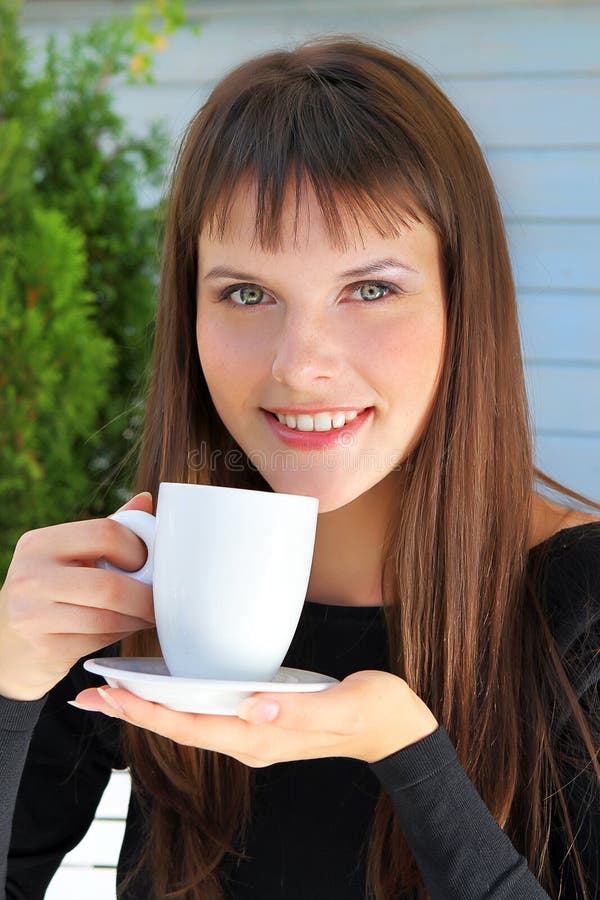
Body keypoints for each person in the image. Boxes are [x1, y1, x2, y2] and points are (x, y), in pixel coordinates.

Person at [0, 36, 598, 900]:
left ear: (463, 304)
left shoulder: (581, 609)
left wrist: (410, 758)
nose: (300, 363)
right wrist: (11, 688)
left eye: (371, 288)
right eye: (247, 293)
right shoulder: (141, 585)